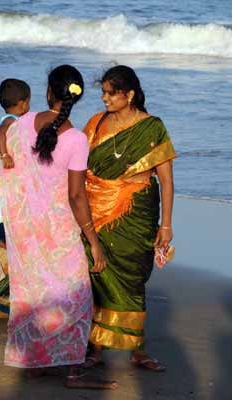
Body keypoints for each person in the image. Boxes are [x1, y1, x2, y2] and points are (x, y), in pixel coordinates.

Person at [0, 65, 117, 390]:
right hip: (58, 231)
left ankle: (34, 363)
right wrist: (93, 239)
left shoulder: (23, 122)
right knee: (75, 296)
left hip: (26, 231)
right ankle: (72, 371)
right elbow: (76, 195)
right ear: (78, 97)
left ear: (46, 93)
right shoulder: (75, 138)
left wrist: (6, 147)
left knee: (32, 294)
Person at [82, 65, 177, 371]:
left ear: (130, 94)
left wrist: (166, 225)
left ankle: (137, 349)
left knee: (133, 278)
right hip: (96, 212)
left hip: (136, 214)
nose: (105, 98)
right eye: (103, 92)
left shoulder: (152, 127)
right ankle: (95, 346)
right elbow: (78, 168)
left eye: (112, 93)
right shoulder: (96, 124)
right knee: (98, 275)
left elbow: (166, 180)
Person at [0, 78, 31, 247]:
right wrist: (4, 155)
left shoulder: (11, 120)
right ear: (23, 103)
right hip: (1, 163)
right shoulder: (11, 121)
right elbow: (0, 133)